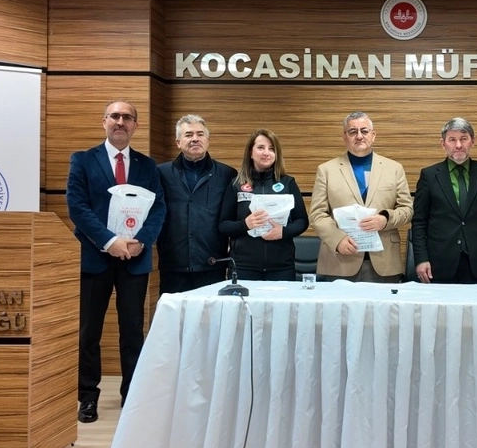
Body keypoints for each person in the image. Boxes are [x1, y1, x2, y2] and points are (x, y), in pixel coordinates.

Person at [66, 101, 165, 424]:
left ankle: (131, 396)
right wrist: (111, 241)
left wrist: (141, 242)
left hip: (135, 258)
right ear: (104, 122)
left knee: (133, 332)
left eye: (127, 117)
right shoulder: (83, 160)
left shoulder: (147, 166)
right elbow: (77, 207)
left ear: (135, 125)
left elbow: (159, 209)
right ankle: (87, 397)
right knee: (88, 332)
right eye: (115, 116)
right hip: (95, 257)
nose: (121, 122)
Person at [309, 111, 413, 282]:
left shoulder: (394, 169)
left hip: (384, 261)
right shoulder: (326, 170)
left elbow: (407, 210)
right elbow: (317, 214)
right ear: (344, 137)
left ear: (373, 135)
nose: (359, 136)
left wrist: (385, 219)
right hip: (340, 261)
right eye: (353, 131)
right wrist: (337, 240)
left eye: (364, 131)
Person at [411, 117, 477, 284]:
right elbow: (419, 222)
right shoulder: (429, 176)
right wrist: (421, 259)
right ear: (443, 144)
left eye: (464, 139)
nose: (459, 145)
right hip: (439, 262)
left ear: (473, 141)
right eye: (452, 140)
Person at [156, 115, 238, 293]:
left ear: (208, 140)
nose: (195, 139)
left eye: (200, 134)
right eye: (188, 135)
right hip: (174, 265)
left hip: (212, 264)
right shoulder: (161, 173)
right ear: (178, 142)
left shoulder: (227, 174)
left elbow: (232, 218)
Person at [219, 128, 309, 280]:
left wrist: (284, 231)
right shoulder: (236, 185)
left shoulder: (288, 183)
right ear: (250, 152)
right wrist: (245, 224)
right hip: (244, 267)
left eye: (271, 149)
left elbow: (302, 221)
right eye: (261, 147)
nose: (266, 153)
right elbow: (223, 225)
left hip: (281, 267)